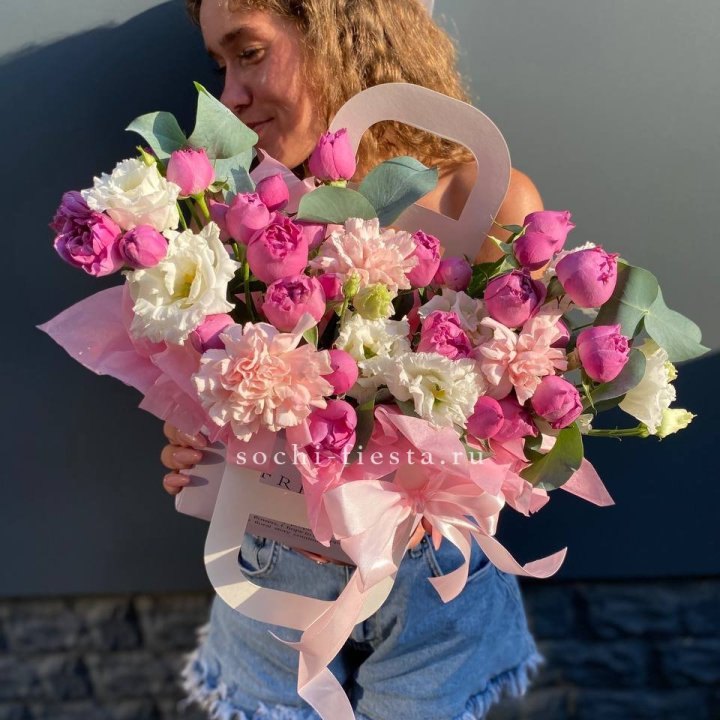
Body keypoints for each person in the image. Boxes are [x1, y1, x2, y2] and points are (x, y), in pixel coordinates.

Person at [163, 1, 545, 718]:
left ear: (340, 31)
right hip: (272, 575)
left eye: (249, 53)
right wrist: (206, 439)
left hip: (431, 586)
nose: (229, 96)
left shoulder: (485, 199)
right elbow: (225, 402)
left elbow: (532, 416)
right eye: (220, 64)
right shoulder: (243, 213)